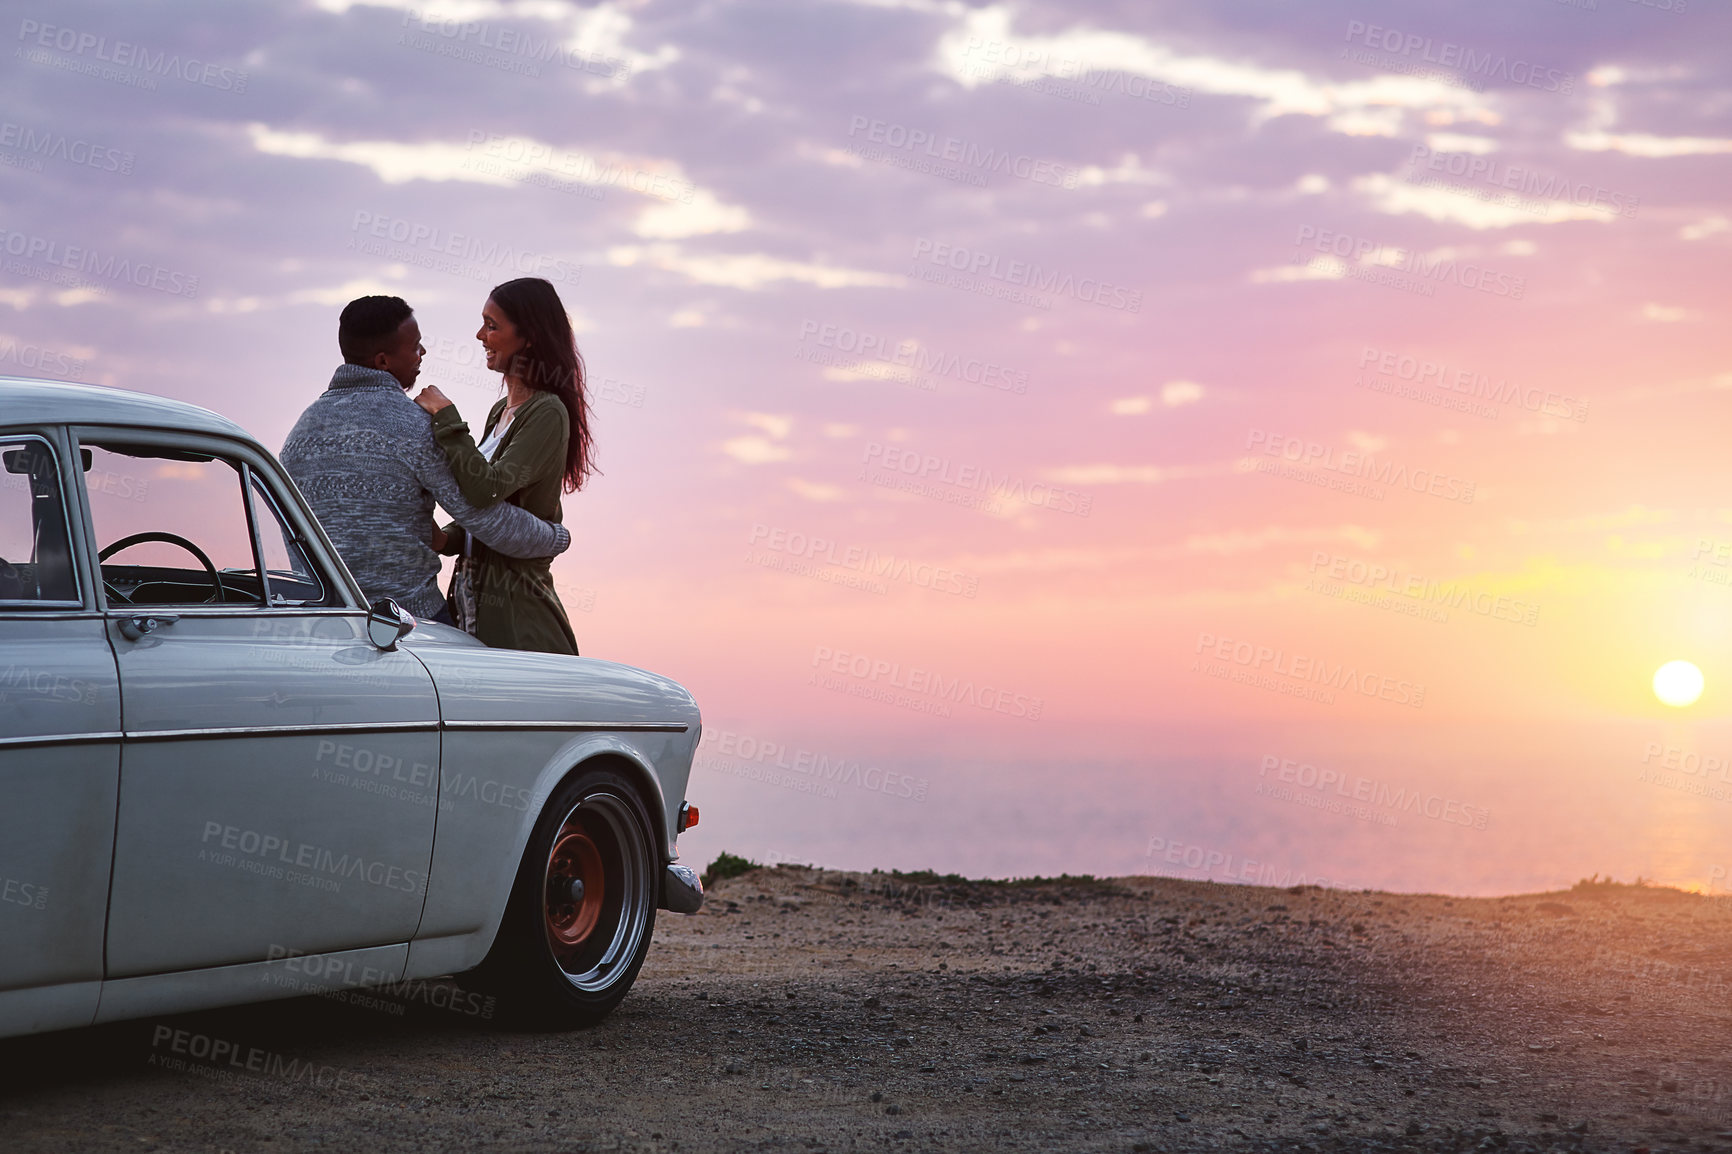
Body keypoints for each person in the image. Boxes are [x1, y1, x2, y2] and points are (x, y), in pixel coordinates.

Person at [280, 295, 571, 624]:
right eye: (416, 346)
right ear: (383, 361)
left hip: (320, 625)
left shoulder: (298, 436)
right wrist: (556, 537)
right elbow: (483, 517)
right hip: (409, 625)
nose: (423, 353)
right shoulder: (413, 427)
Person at [411, 277, 591, 654]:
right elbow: (491, 513)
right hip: (473, 607)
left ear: (528, 337)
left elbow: (485, 489)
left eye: (492, 326)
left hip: (522, 622)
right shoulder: (500, 412)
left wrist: (447, 418)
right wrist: (447, 538)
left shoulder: (547, 412)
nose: (480, 335)